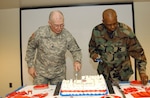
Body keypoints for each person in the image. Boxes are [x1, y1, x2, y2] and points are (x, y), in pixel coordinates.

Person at [89, 8, 148, 85]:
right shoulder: (97, 31)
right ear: (103, 22)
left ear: (117, 19)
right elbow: (92, 47)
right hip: (105, 74)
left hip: (123, 75)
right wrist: (94, 55)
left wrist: (142, 73)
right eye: (109, 25)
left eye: (114, 23)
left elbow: (139, 54)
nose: (113, 27)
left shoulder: (126, 31)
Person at [25, 10, 82, 85]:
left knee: (58, 95)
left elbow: (76, 50)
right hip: (40, 72)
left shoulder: (66, 35)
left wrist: (77, 60)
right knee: (39, 94)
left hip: (59, 73)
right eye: (56, 25)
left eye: (62, 25)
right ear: (49, 23)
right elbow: (30, 48)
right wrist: (30, 66)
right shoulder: (40, 32)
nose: (59, 28)